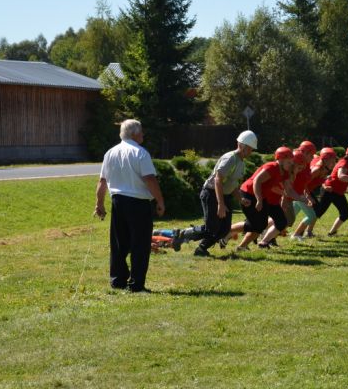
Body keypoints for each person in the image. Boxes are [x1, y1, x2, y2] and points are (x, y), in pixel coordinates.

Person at [95, 119, 165, 293]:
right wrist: (160, 201)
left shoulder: (110, 153)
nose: (143, 134)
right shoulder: (140, 153)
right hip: (138, 202)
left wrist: (99, 204)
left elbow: (102, 181)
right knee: (140, 244)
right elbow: (150, 179)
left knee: (119, 243)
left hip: (118, 201)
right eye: (141, 131)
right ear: (134, 133)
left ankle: (118, 280)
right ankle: (136, 284)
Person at [171, 130, 257, 256]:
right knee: (211, 228)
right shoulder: (230, 159)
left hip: (224, 196)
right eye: (250, 148)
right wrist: (220, 204)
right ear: (242, 146)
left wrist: (240, 199)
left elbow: (232, 184)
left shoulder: (241, 162)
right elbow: (218, 180)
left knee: (224, 230)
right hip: (211, 194)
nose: (251, 152)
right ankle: (184, 234)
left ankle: (201, 249)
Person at [231, 146, 307, 251]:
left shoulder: (284, 172)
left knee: (274, 223)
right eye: (289, 162)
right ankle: (228, 232)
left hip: (262, 196)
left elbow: (288, 190)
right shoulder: (272, 167)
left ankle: (244, 245)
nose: (291, 165)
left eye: (291, 162)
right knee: (257, 225)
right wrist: (259, 199)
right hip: (248, 193)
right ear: (280, 160)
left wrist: (300, 198)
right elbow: (256, 181)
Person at [313, 144, 348, 236]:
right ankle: (303, 232)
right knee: (318, 213)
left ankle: (332, 233)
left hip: (338, 192)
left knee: (345, 213)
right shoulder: (344, 163)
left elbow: (346, 176)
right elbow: (340, 176)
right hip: (329, 190)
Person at [293, 147, 337, 238]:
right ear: (324, 160)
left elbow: (315, 156)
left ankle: (305, 232)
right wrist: (308, 196)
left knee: (289, 217)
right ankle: (298, 234)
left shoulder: (324, 166)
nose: (334, 164)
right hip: (302, 191)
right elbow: (303, 183)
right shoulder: (316, 170)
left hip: (305, 191)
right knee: (313, 214)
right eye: (332, 161)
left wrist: (324, 184)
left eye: (334, 161)